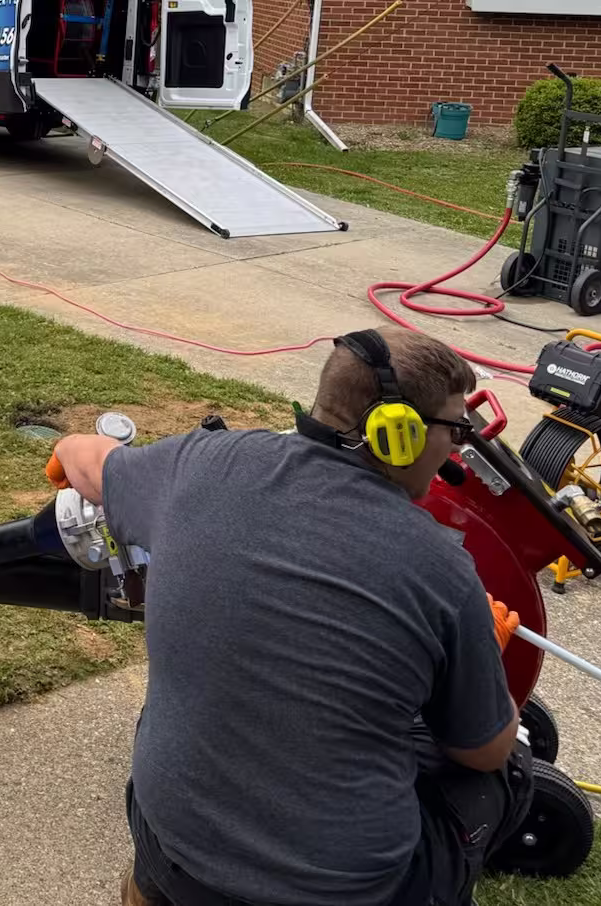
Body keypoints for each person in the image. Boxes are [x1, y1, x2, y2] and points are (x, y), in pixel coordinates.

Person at [48, 327, 534, 906]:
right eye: (454, 429)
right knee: (513, 763)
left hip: (173, 846)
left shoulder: (196, 464)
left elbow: (86, 456)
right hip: (340, 891)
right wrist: (488, 665)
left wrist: (67, 453)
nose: (456, 449)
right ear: (397, 435)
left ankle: (147, 892)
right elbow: (484, 750)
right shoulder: (443, 571)